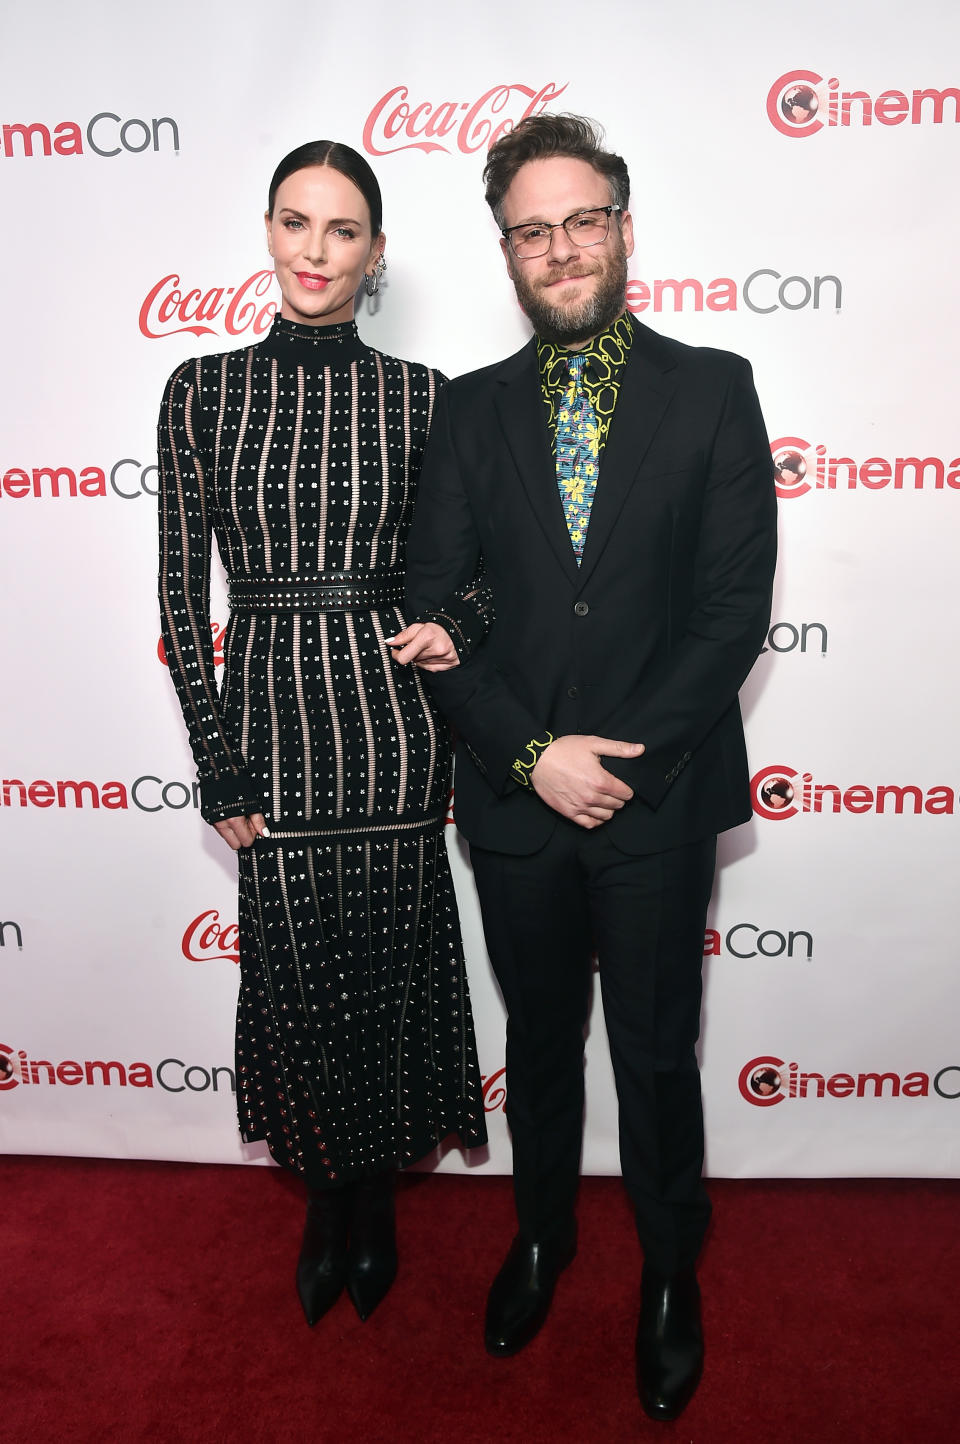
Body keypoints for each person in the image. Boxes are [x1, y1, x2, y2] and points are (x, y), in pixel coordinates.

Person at [396, 114, 777, 1420]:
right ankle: (543, 1238)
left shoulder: (715, 387)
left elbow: (734, 613)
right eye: (533, 228)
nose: (562, 247)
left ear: (623, 224)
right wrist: (529, 754)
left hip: (659, 805)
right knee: (544, 1040)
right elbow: (434, 604)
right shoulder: (466, 407)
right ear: (507, 247)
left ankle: (674, 1272)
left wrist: (622, 761)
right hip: (514, 801)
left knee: (660, 1055)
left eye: (583, 218)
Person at [157, 140, 489, 1329]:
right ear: (266, 231)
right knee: (299, 975)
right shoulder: (199, 389)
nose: (316, 250)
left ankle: (377, 1200)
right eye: (297, 223)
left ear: (376, 252)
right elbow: (178, 598)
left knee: (389, 963)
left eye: (343, 230)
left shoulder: (424, 396)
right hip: (272, 726)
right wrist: (216, 752)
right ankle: (326, 1198)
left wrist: (450, 621)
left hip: (392, 725)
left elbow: (482, 574)